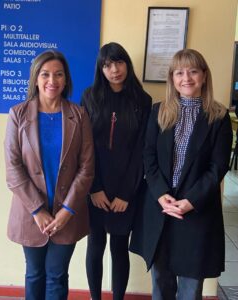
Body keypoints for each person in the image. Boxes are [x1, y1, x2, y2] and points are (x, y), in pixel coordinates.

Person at [130, 49, 233, 300]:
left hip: (196, 212)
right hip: (161, 210)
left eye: (193, 71)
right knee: (161, 283)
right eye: (179, 72)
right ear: (172, 78)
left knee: (190, 289)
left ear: (204, 76)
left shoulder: (218, 117)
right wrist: (161, 194)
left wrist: (190, 201)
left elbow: (217, 167)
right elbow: (148, 157)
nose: (186, 77)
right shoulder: (158, 112)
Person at [4, 50, 94, 300]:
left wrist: (67, 210)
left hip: (68, 212)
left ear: (66, 80)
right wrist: (37, 210)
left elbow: (86, 168)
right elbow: (13, 169)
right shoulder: (18, 114)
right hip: (31, 213)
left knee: (57, 275)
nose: (51, 81)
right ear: (35, 78)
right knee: (34, 273)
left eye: (58, 74)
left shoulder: (79, 115)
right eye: (45, 74)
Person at [81, 42, 152, 300]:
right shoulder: (89, 97)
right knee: (95, 245)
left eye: (119, 62)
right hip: (96, 187)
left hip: (126, 189)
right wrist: (94, 188)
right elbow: (84, 146)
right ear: (101, 69)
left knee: (119, 247)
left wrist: (126, 193)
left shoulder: (142, 100)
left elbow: (142, 150)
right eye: (107, 65)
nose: (114, 70)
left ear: (127, 64)